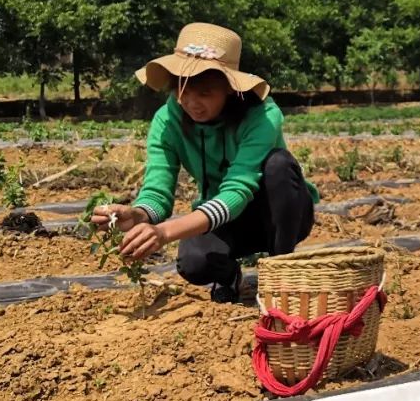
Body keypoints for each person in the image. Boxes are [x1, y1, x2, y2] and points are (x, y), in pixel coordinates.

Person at [92, 22, 318, 303]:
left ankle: (283, 272)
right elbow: (158, 191)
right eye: (183, 90)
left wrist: (164, 233)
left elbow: (237, 190)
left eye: (205, 93)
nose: (191, 102)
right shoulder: (166, 121)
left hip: (277, 214)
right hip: (221, 215)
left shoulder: (262, 116)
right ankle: (230, 277)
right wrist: (137, 215)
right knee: (194, 262)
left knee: (278, 165)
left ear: (229, 89)